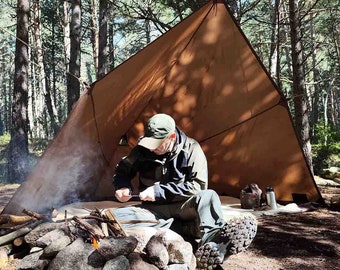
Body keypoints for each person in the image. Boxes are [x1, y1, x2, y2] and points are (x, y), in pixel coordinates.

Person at [113, 113, 257, 269]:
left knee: (208, 197)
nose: (152, 148)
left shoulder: (191, 149)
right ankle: (186, 230)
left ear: (172, 136)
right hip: (154, 210)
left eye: (157, 143)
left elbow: (198, 185)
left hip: (183, 206)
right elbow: (122, 171)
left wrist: (158, 191)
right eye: (150, 142)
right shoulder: (143, 150)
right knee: (112, 216)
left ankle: (213, 245)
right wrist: (122, 186)